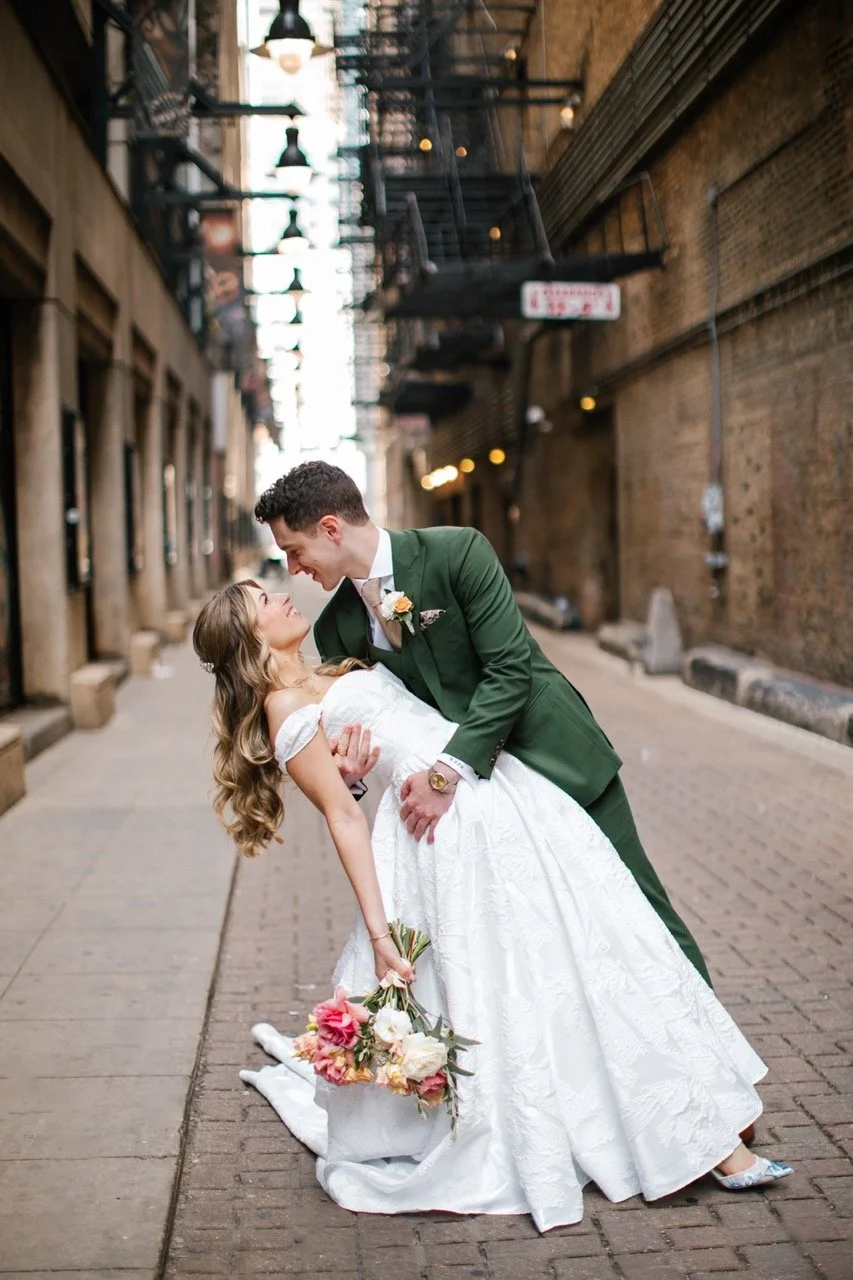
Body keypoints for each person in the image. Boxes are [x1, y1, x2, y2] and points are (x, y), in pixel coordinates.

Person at [192, 579, 791, 1233]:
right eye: (263, 600)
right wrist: (380, 929)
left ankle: (693, 1118)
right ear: (249, 635)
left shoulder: (331, 667)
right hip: (445, 840)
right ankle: (698, 1140)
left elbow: (406, 698)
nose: (282, 595)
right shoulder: (286, 709)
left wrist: (360, 765)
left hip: (501, 796)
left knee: (598, 953)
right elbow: (343, 819)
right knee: (551, 974)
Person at [254, 463, 710, 982]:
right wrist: (352, 776)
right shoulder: (337, 625)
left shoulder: (457, 552)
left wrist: (445, 773)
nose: (293, 568)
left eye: (294, 550)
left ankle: (713, 1049)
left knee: (637, 906)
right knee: (563, 929)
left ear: (332, 529)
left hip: (550, 753)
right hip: (485, 810)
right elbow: (373, 722)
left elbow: (510, 668)